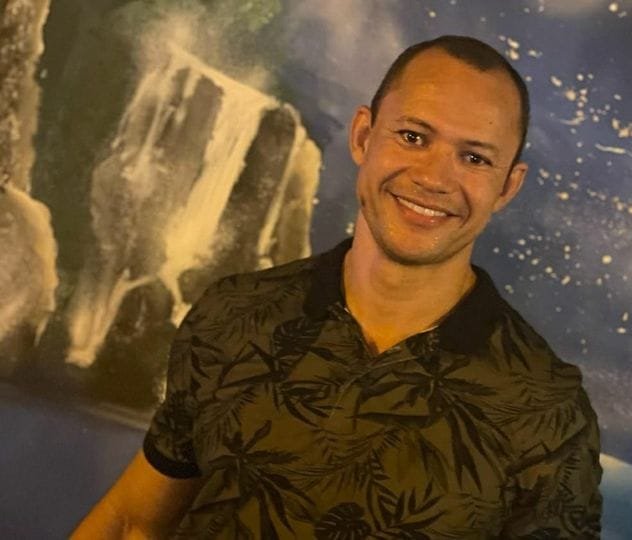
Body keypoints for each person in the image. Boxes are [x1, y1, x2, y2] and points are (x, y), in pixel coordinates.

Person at [73, 35, 602, 539]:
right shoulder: (234, 314)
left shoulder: (547, 412)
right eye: (413, 137)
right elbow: (133, 523)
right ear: (363, 136)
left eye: (475, 158)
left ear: (507, 185)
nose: (434, 178)